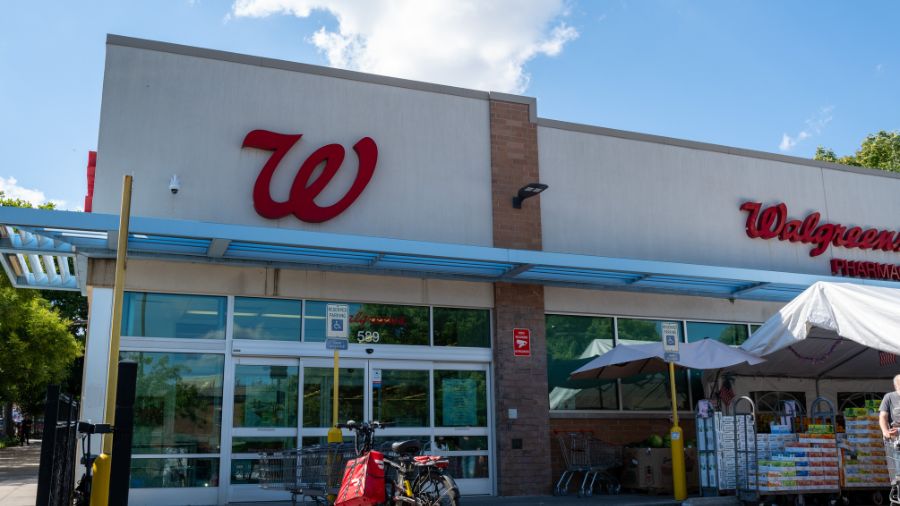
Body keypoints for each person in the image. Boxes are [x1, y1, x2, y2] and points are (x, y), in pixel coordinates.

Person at [880, 374, 900, 439]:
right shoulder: (889, 397)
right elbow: (883, 416)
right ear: (895, 386)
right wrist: (885, 431)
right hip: (895, 434)